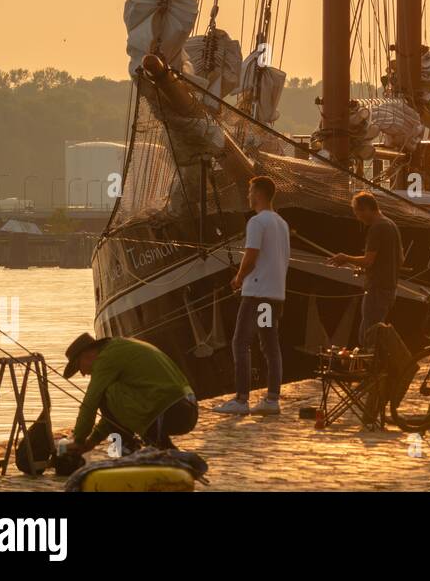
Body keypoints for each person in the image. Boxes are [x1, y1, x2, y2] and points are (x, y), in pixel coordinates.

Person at [217, 175, 290, 415]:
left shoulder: (257, 222)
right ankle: (272, 399)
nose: (248, 196)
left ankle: (241, 399)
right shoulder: (281, 223)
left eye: (250, 192)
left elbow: (251, 255)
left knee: (240, 342)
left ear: (258, 193)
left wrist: (238, 278)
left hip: (256, 294)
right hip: (274, 295)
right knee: (270, 345)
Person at [61, 333, 196, 456]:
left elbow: (90, 403)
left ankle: (126, 448)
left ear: (87, 355)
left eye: (79, 368)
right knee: (112, 394)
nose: (83, 374)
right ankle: (163, 449)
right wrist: (92, 442)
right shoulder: (120, 348)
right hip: (187, 407)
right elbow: (114, 413)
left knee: (105, 392)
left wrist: (78, 439)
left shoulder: (105, 358)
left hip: (170, 409)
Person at [330, 191, 403, 348]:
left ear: (366, 208)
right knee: (376, 331)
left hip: (376, 289)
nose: (358, 218)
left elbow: (368, 261)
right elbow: (400, 260)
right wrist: (372, 269)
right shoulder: (391, 225)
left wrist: (345, 258)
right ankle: (380, 367)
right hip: (390, 289)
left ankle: (372, 369)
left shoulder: (377, 228)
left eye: (358, 212)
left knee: (367, 334)